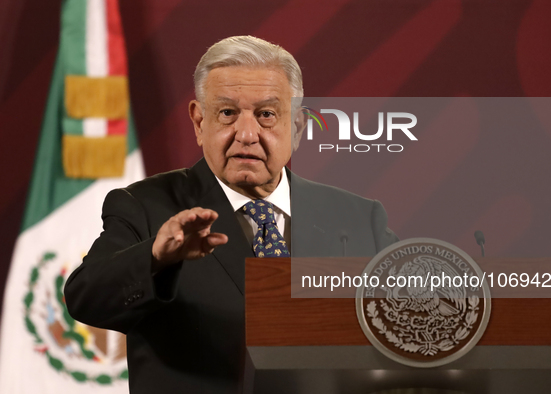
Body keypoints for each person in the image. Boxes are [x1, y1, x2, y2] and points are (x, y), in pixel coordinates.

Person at [64, 35, 398, 394]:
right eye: (227, 113)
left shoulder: (359, 216)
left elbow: (413, 323)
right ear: (198, 121)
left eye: (267, 114)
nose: (247, 133)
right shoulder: (146, 206)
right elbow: (86, 297)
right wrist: (157, 258)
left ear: (297, 128)